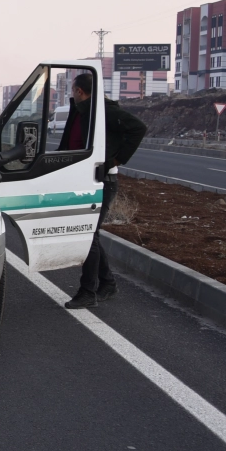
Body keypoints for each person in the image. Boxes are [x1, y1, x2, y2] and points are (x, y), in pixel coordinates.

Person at [66, 80, 148, 310]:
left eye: (73, 90)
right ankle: (108, 284)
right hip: (82, 179)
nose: (72, 93)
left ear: (80, 91)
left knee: (88, 234)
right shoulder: (82, 110)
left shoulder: (103, 110)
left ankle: (88, 292)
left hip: (102, 181)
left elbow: (138, 128)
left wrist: (115, 160)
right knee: (90, 234)